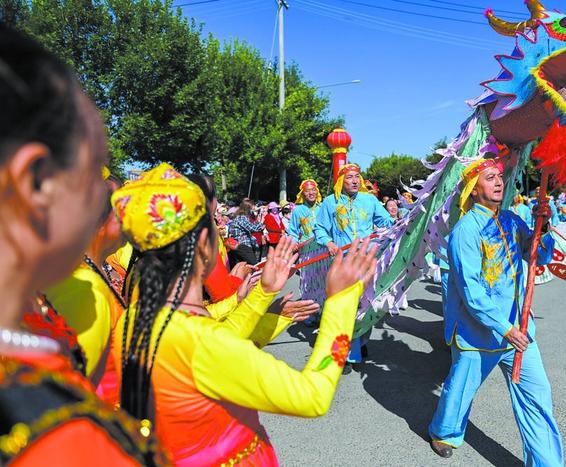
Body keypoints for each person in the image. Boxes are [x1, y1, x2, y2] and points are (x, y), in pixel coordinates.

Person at [111, 164, 378, 465]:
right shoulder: (201, 344)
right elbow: (311, 395)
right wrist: (342, 300)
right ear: (203, 244)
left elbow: (217, 340)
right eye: (214, 224)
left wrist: (266, 300)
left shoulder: (133, 319)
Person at [0, 26, 165, 465]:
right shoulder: (56, 439)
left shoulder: (32, 326)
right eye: (96, 169)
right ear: (36, 183)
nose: (108, 197)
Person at [428, 156, 563, 465]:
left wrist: (544, 227)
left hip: (521, 330)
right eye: (489, 178)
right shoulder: (465, 232)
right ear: (473, 189)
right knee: (460, 391)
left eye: (499, 176)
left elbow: (538, 256)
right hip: (480, 333)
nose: (499, 181)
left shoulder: (513, 220)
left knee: (537, 400)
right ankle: (444, 431)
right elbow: (472, 293)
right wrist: (505, 328)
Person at [43, 174, 127, 406]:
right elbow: (64, 394)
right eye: (119, 212)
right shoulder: (86, 290)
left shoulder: (82, 275)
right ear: (99, 224)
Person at [314, 163, 394, 373]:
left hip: (368, 261)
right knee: (346, 308)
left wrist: (392, 222)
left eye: (357, 176)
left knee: (367, 305)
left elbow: (385, 220)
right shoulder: (331, 202)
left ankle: (361, 340)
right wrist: (329, 242)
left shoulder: (370, 200)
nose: (354, 180)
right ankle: (348, 353)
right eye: (349, 177)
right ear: (342, 180)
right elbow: (319, 228)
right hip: (343, 263)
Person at [229, 198, 265, 265]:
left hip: (243, 245)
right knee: (254, 264)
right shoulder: (241, 217)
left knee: (245, 266)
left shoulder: (243, 217)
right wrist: (262, 222)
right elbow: (253, 228)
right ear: (248, 208)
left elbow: (252, 225)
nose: (253, 209)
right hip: (242, 245)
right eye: (252, 207)